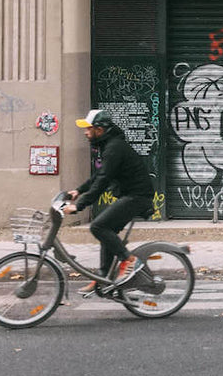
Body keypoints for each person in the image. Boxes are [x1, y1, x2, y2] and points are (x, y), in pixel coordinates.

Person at [62, 108, 154, 295]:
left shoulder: (114, 148)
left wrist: (79, 205)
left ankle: (129, 260)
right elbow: (99, 175)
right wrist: (78, 191)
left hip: (138, 197)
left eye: (88, 129)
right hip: (130, 195)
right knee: (107, 229)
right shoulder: (109, 146)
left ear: (100, 129)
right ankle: (103, 279)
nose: (85, 133)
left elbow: (103, 180)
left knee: (98, 226)